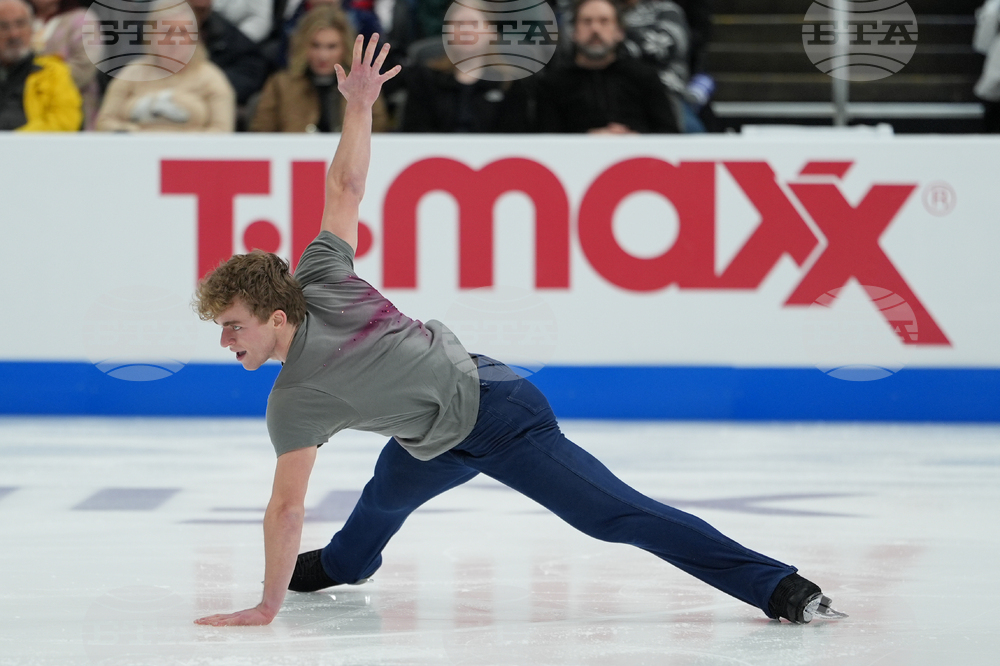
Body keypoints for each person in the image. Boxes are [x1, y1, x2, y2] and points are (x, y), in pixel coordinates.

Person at [192, 33, 846, 628]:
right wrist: (358, 104)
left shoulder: (309, 331)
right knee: (381, 499)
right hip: (429, 438)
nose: (226, 343)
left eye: (232, 327)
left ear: (278, 315)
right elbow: (345, 186)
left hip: (496, 409)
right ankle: (344, 566)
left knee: (611, 515)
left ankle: (777, 587)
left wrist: (267, 605)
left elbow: (285, 510)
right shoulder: (307, 322)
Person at [537, 0, 678, 134]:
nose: (595, 29)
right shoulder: (554, 84)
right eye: (587, 22)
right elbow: (543, 140)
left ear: (619, 32)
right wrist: (587, 140)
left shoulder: (644, 77)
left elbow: (670, 134)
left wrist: (635, 139)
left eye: (604, 21)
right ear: (573, 32)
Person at [399, 0, 533, 133]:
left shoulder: (509, 83)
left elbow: (516, 139)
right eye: (459, 24)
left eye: (474, 24)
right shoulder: (424, 79)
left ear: (491, 31)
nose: (466, 31)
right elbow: (414, 132)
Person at [250, 5, 389, 133]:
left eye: (331, 46)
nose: (323, 56)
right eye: (316, 45)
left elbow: (378, 132)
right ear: (303, 46)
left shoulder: (363, 86)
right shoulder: (280, 85)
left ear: (345, 48)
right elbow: (261, 136)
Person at [94, 43, 235, 132]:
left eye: (183, 33)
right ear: (151, 36)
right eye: (166, 32)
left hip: (193, 161)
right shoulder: (132, 73)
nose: (174, 40)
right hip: (134, 157)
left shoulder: (211, 77)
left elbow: (222, 130)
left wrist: (186, 144)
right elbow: (103, 123)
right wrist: (134, 135)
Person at [0, 0, 80, 131]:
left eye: (20, 24)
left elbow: (65, 122)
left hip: (32, 148)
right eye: (3, 26)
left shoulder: (54, 72)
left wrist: (12, 141)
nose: (14, 34)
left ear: (32, 29)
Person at [29, 0, 99, 129]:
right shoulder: (20, 18)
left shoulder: (81, 19)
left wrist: (41, 82)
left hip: (72, 104)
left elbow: (85, 65)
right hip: (21, 104)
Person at [187, 0, 269, 107]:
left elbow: (249, 73)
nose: (201, 4)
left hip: (209, 103)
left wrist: (208, 84)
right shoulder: (160, 33)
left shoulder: (223, 33)